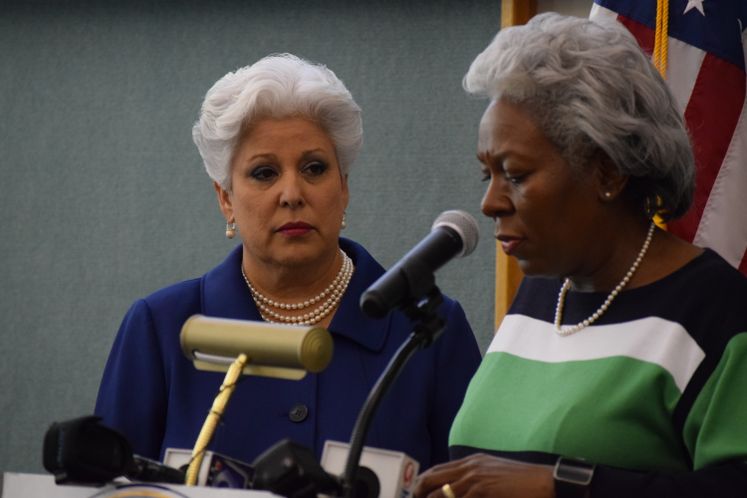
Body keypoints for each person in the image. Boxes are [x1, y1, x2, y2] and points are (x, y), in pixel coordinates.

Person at [414, 12, 747, 498]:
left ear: (607, 174)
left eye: (517, 175)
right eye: (488, 175)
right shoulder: (541, 295)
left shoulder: (717, 312)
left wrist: (564, 486)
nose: (489, 203)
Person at [94, 53, 481, 470]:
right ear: (225, 198)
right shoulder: (161, 328)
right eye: (264, 173)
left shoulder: (428, 330)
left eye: (314, 168)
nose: (292, 193)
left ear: (344, 188)